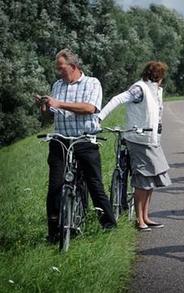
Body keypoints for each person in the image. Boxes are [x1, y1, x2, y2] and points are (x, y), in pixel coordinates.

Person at [34, 48, 116, 243]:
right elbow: (52, 114)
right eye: (58, 68)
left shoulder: (91, 83)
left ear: (74, 66)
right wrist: (45, 108)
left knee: (94, 184)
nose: (59, 71)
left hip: (84, 139)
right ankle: (53, 233)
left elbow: (90, 108)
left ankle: (109, 225)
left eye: (61, 67)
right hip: (60, 140)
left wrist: (60, 104)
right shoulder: (57, 85)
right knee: (55, 187)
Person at [98, 61, 171, 232]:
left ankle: (146, 216)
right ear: (157, 75)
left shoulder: (156, 91)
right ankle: (139, 220)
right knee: (142, 179)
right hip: (138, 139)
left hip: (151, 140)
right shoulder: (140, 89)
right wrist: (99, 118)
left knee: (152, 178)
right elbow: (118, 99)